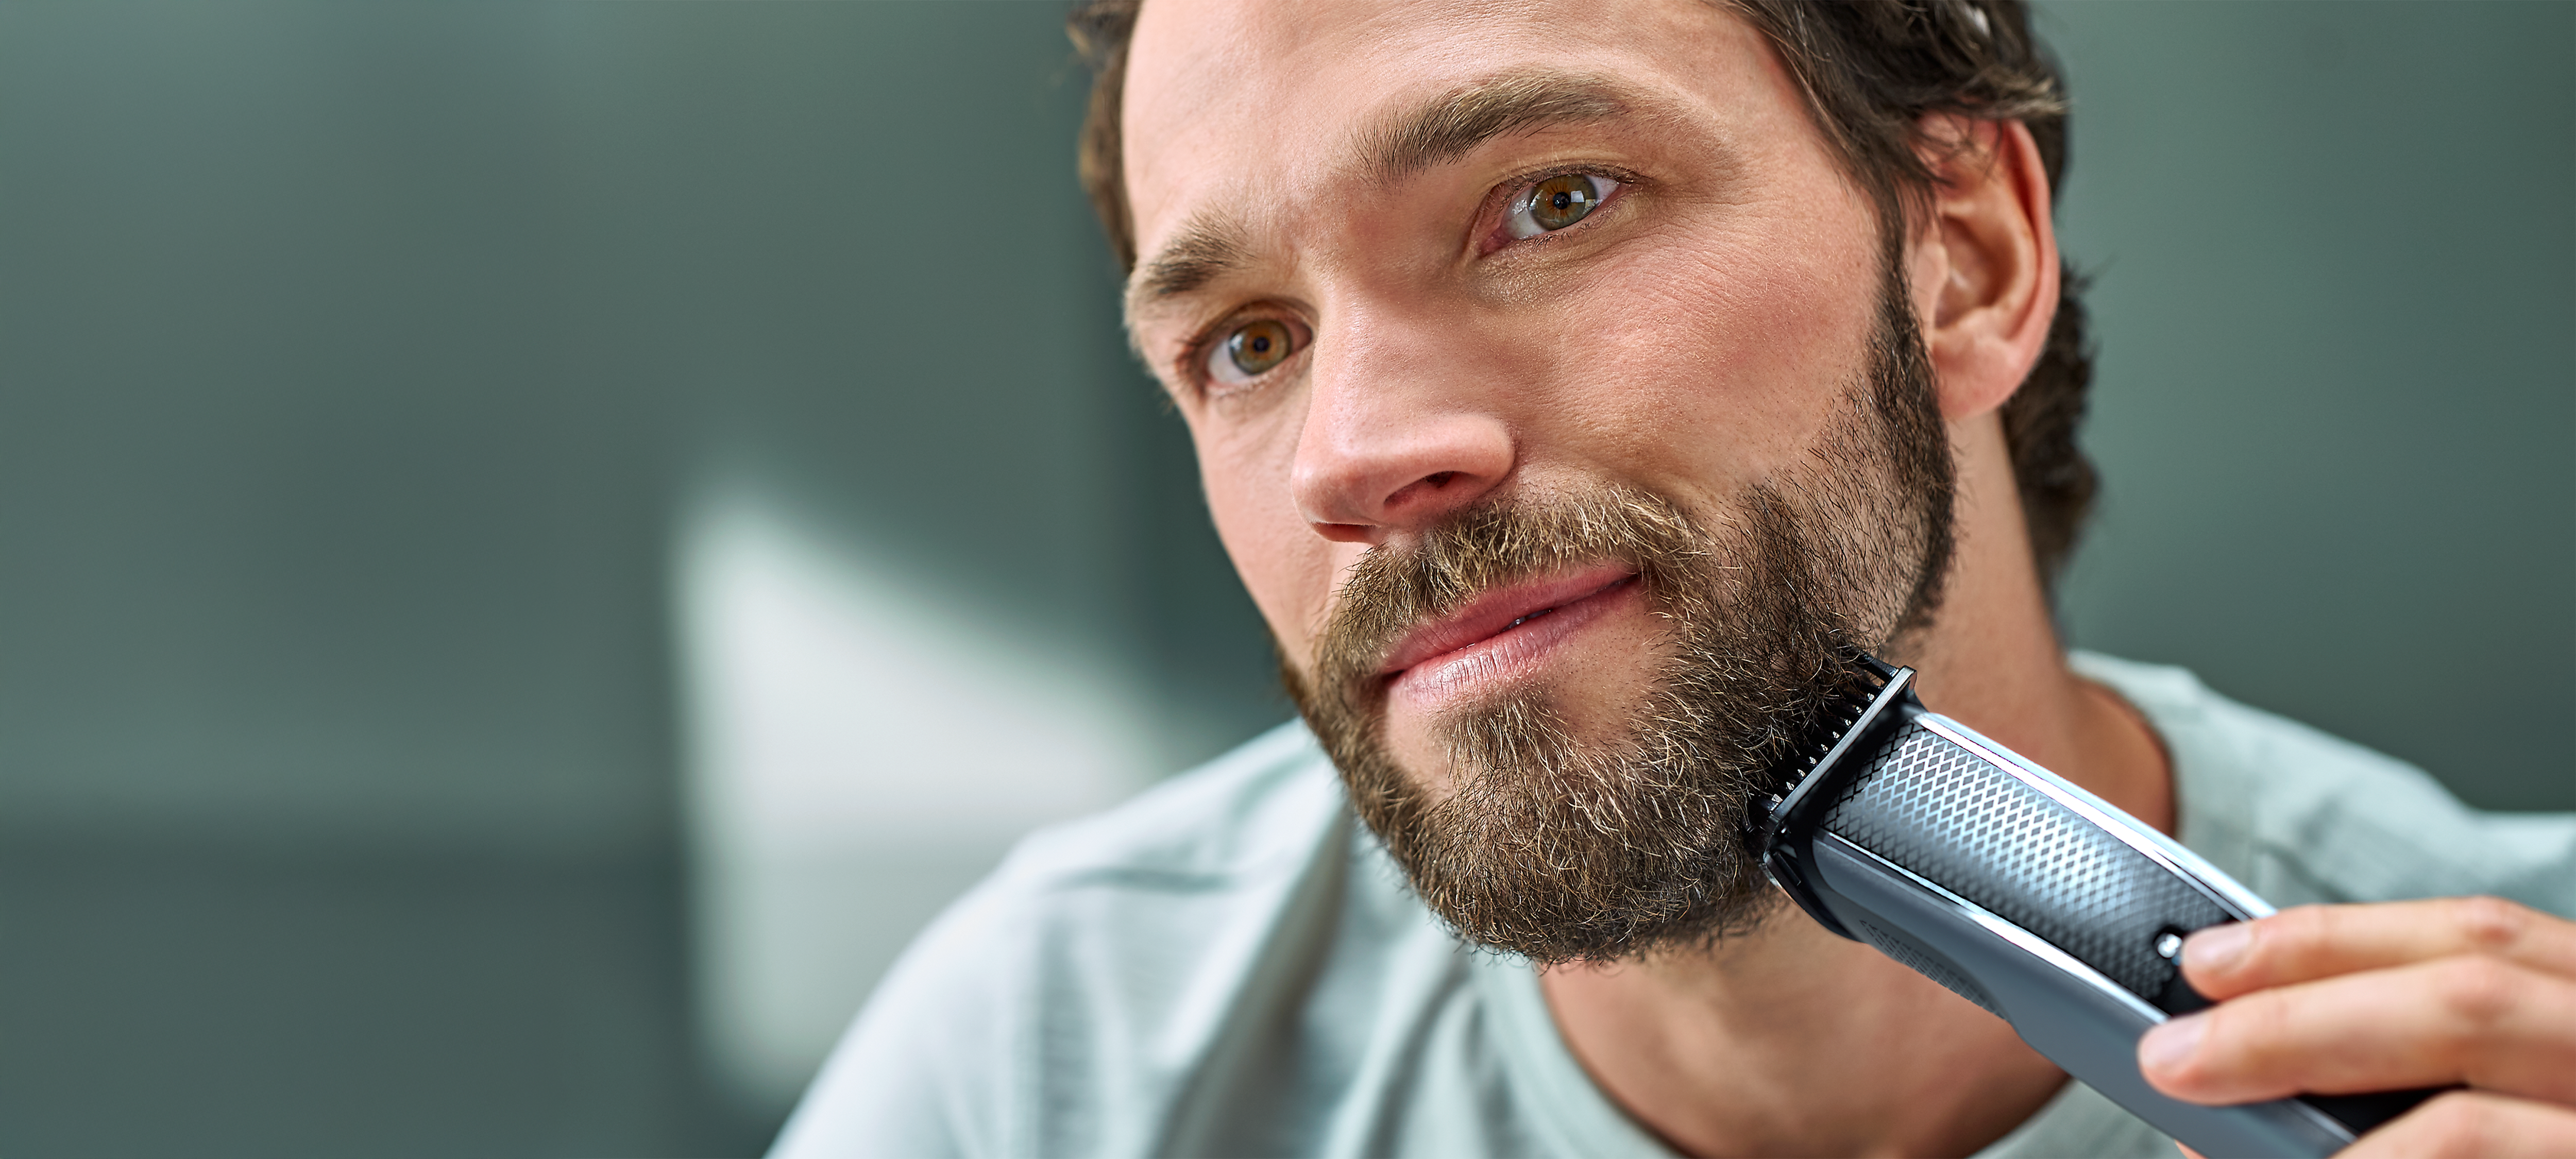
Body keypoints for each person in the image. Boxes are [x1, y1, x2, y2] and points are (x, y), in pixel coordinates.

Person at [770, 1, 2576, 1155]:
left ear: (1964, 260)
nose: (1351, 456)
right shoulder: (1050, 1069)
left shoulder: (2528, 1055)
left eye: (1551, 202)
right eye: (1248, 344)